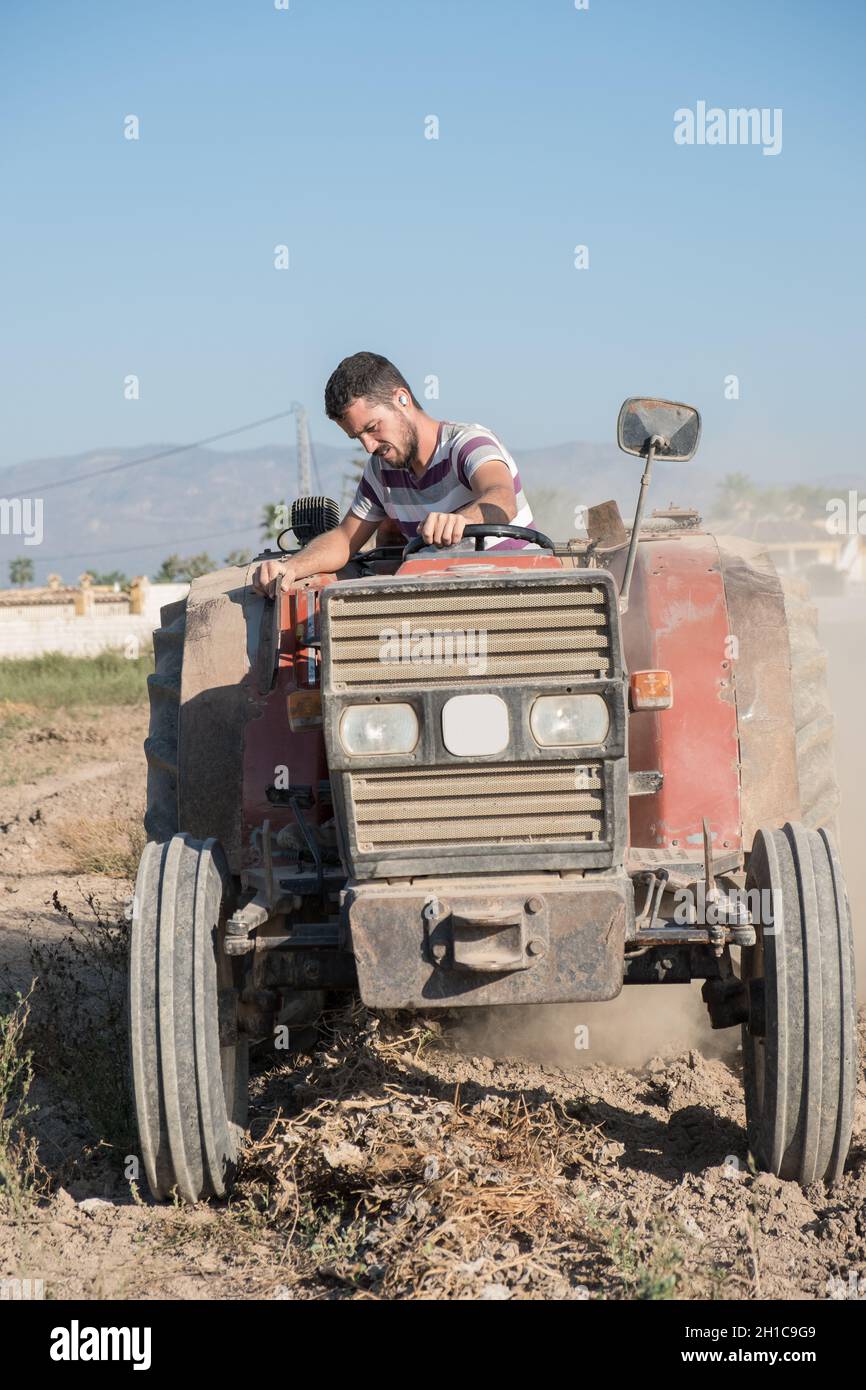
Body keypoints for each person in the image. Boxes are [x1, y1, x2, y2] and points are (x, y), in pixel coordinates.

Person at [252, 351, 534, 597]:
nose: (369, 446)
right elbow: (344, 539)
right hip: (442, 611)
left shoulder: (467, 445)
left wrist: (460, 521)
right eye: (357, 437)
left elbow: (501, 499)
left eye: (372, 427)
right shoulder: (381, 471)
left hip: (515, 597)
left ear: (402, 399)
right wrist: (291, 567)